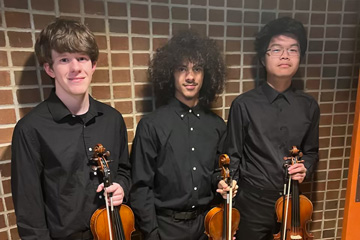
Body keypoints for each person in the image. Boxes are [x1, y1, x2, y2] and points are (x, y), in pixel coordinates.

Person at [11, 18, 131, 240]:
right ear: (49, 68)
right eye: (64, 59)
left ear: (93, 65)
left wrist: (122, 186)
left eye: (82, 58)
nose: (76, 68)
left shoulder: (113, 119)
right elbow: (30, 216)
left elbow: (124, 170)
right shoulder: (30, 131)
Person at [129, 30, 233, 240]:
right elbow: (141, 187)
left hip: (207, 227)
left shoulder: (216, 126)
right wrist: (152, 233)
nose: (190, 76)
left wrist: (222, 183)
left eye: (197, 69)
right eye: (182, 68)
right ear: (171, 73)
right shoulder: (151, 125)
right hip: (165, 228)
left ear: (207, 74)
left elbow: (215, 173)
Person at [224, 17, 320, 239]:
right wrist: (232, 207)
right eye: (276, 49)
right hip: (252, 204)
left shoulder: (309, 106)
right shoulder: (243, 104)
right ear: (262, 58)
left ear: (300, 57)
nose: (285, 55)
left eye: (292, 50)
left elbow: (312, 151)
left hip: (293, 202)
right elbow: (233, 156)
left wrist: (305, 167)